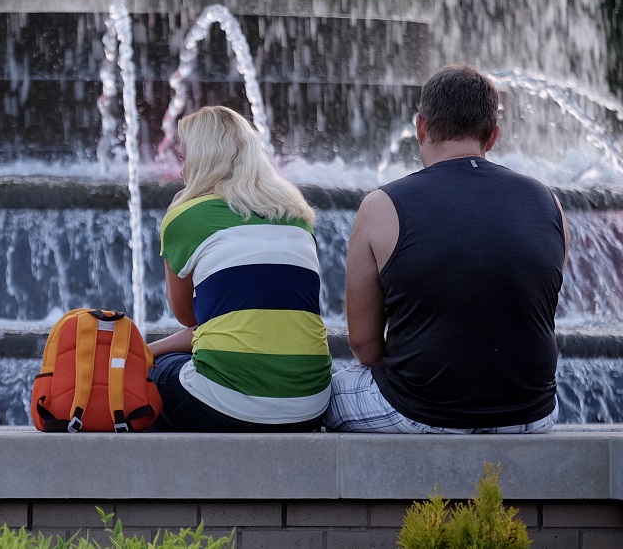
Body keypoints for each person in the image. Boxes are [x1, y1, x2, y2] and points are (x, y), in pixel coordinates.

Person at [326, 64, 567, 434]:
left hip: (418, 412)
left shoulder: (382, 205)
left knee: (326, 391)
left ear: (420, 127)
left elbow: (363, 343)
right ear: (493, 136)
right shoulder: (548, 202)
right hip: (530, 415)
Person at [147, 105, 332, 432]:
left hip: (224, 404)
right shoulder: (298, 215)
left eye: (184, 157)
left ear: (203, 159)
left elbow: (191, 318)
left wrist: (147, 353)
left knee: (151, 376)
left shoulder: (185, 216)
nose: (181, 170)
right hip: (310, 404)